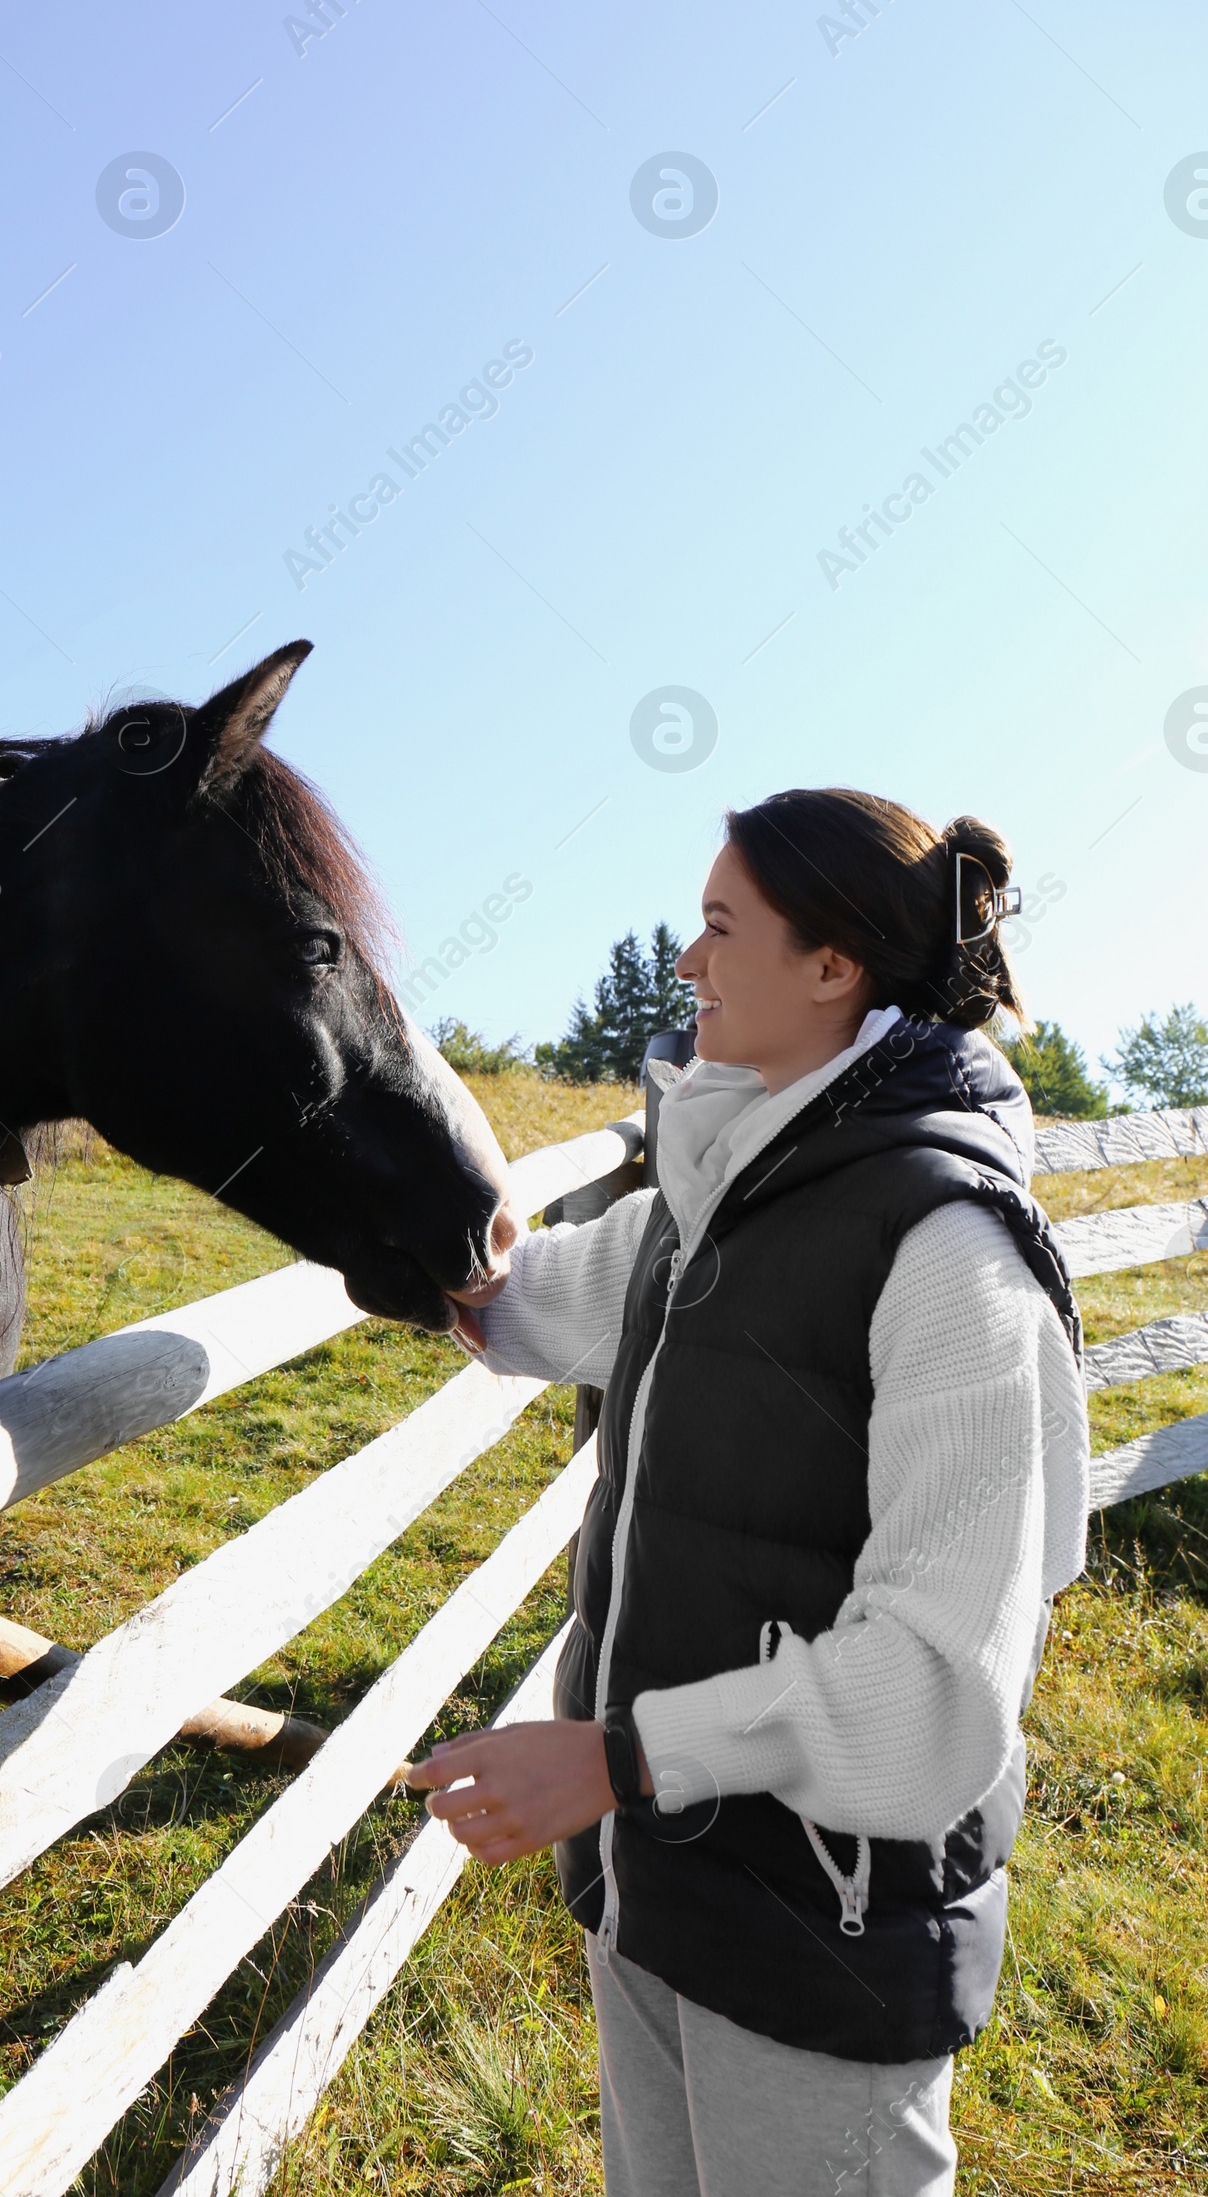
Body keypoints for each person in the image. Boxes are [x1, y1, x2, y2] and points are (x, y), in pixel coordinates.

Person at [408, 789, 1088, 2197]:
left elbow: (938, 1688)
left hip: (826, 1941)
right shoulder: (708, 1203)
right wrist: (334, 1136)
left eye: (721, 928)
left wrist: (612, 1761)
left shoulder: (950, 1252)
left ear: (834, 964)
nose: (686, 963)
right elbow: (515, 1302)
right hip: (659, 1891)